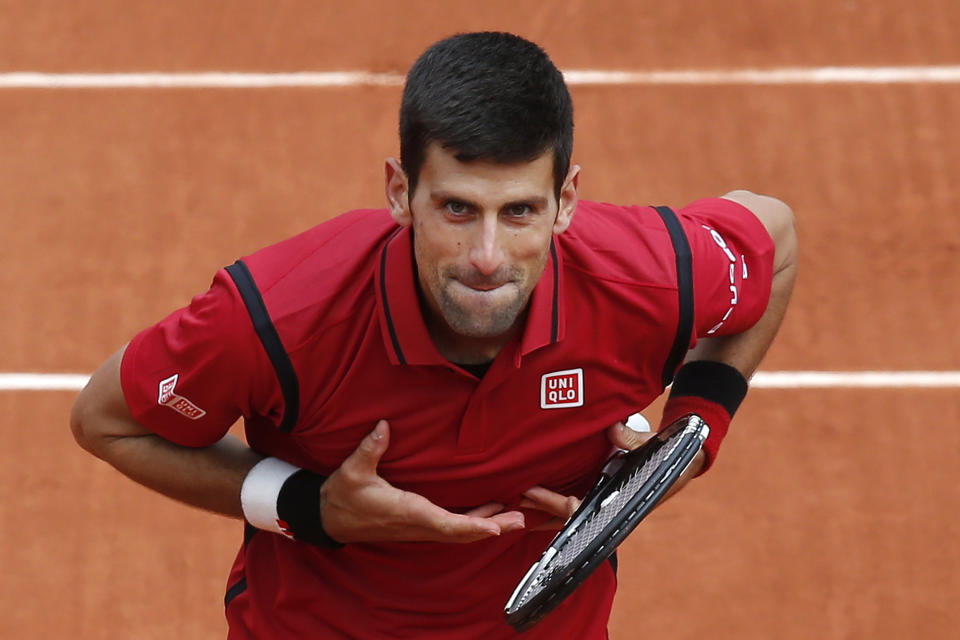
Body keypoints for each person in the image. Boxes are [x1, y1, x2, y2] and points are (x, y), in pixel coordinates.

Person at [71, 31, 797, 639]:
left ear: (566, 202)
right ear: (399, 192)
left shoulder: (650, 277)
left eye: (519, 212)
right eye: (456, 208)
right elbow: (109, 421)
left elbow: (776, 233)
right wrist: (309, 508)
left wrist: (687, 440)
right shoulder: (277, 319)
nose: (487, 258)